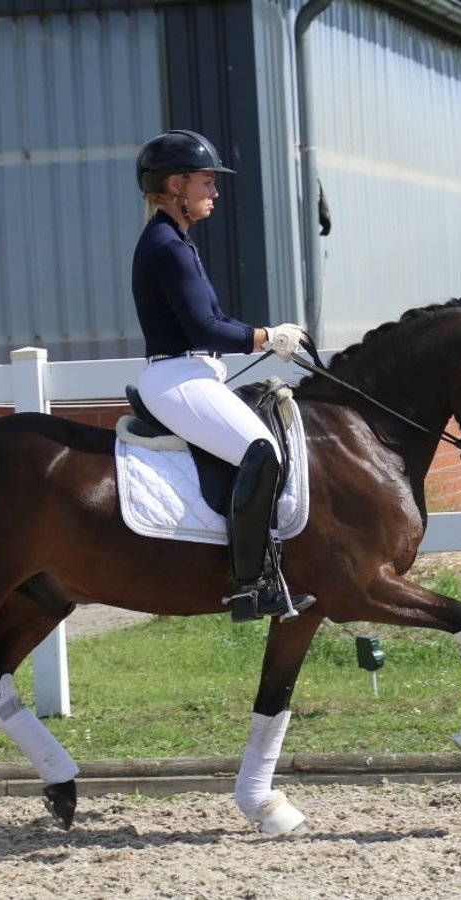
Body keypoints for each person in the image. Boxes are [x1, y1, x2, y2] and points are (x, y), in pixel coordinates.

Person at [131, 129, 314, 620]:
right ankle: (250, 586)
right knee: (262, 451)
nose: (215, 192)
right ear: (175, 185)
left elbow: (215, 322)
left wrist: (268, 334)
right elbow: (205, 327)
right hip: (176, 378)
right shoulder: (166, 245)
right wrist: (266, 337)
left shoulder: (176, 242)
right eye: (206, 182)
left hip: (190, 375)